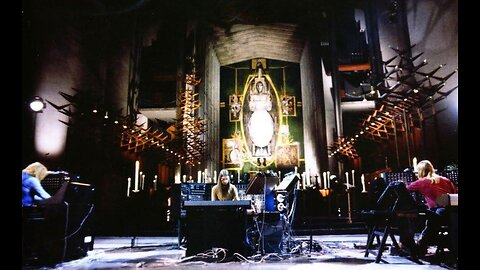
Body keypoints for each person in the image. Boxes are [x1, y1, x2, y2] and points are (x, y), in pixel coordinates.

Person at [406, 160, 457, 256]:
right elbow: (454, 194)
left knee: (429, 220)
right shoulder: (445, 179)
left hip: (439, 212)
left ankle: (420, 246)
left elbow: (405, 190)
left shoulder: (421, 182)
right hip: (453, 213)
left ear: (420, 171)